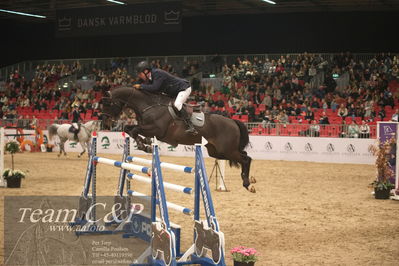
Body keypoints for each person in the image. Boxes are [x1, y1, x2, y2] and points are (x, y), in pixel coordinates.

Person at [133, 61, 197, 134]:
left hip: (183, 88)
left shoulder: (157, 73)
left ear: (146, 71)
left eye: (140, 74)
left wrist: (141, 86)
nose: (139, 76)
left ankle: (190, 126)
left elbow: (155, 88)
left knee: (177, 104)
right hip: (174, 92)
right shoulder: (149, 77)